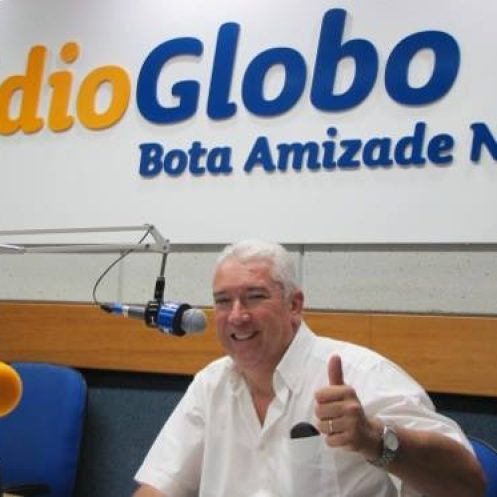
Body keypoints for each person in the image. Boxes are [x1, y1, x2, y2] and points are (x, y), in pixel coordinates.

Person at [133, 240, 485, 497]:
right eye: (223, 301)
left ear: (294, 305)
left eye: (254, 297)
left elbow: (468, 483)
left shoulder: (362, 374)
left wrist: (374, 439)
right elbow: (160, 485)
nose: (237, 316)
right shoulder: (211, 383)